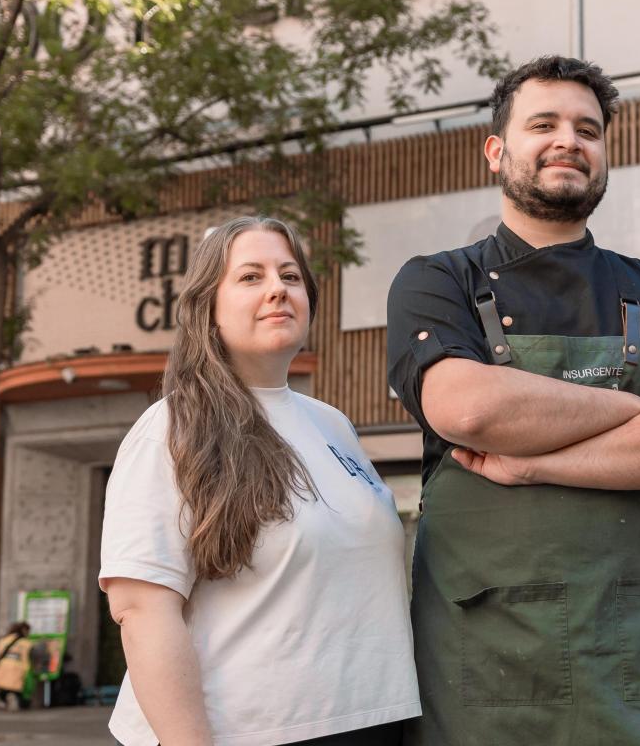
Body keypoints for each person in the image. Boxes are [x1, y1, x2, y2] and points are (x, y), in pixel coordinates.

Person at [386, 55, 640, 745]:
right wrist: (631, 410)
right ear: (496, 151)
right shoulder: (437, 282)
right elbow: (469, 409)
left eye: (588, 129)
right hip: (479, 665)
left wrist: (534, 463)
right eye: (543, 124)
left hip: (634, 656)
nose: (568, 141)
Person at [101, 216, 417, 746]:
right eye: (251, 277)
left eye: (290, 276)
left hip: (371, 721)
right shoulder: (172, 427)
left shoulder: (332, 424)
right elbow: (141, 610)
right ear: (207, 306)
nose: (278, 289)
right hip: (248, 732)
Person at [0, 621, 36, 710]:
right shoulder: (26, 643)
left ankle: (2, 701)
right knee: (17, 690)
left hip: (3, 668)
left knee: (2, 687)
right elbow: (31, 656)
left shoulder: (3, 640)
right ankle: (14, 700)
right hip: (19, 669)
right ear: (24, 630)